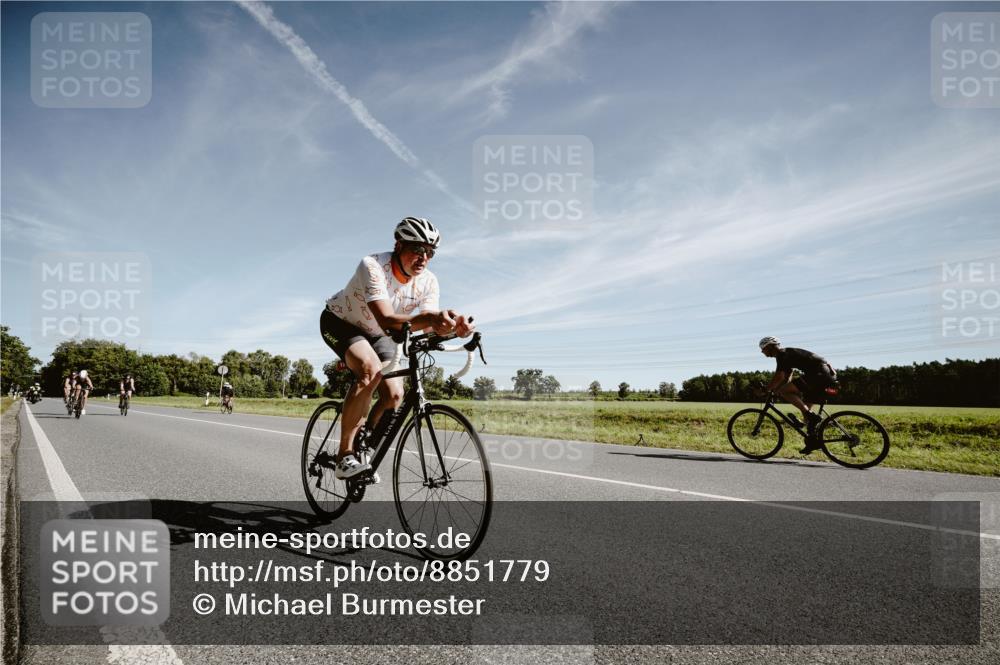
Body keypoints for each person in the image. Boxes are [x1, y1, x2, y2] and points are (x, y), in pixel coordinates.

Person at [321, 217, 474, 479]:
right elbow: (387, 319)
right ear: (399, 245)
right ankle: (344, 456)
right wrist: (432, 319)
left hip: (379, 335)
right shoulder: (372, 266)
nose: (424, 258)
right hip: (342, 322)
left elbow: (427, 325)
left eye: (430, 252)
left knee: (394, 395)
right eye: (418, 249)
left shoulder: (428, 281)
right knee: (369, 370)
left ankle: (364, 446)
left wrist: (452, 327)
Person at [758, 337, 838, 454]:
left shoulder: (782, 354)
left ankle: (810, 416)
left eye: (763, 348)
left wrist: (766, 389)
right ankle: (812, 442)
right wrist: (778, 389)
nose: (762, 351)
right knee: (806, 413)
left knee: (786, 393)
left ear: (770, 346)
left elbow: (779, 376)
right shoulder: (786, 354)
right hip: (826, 374)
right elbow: (787, 375)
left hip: (818, 374)